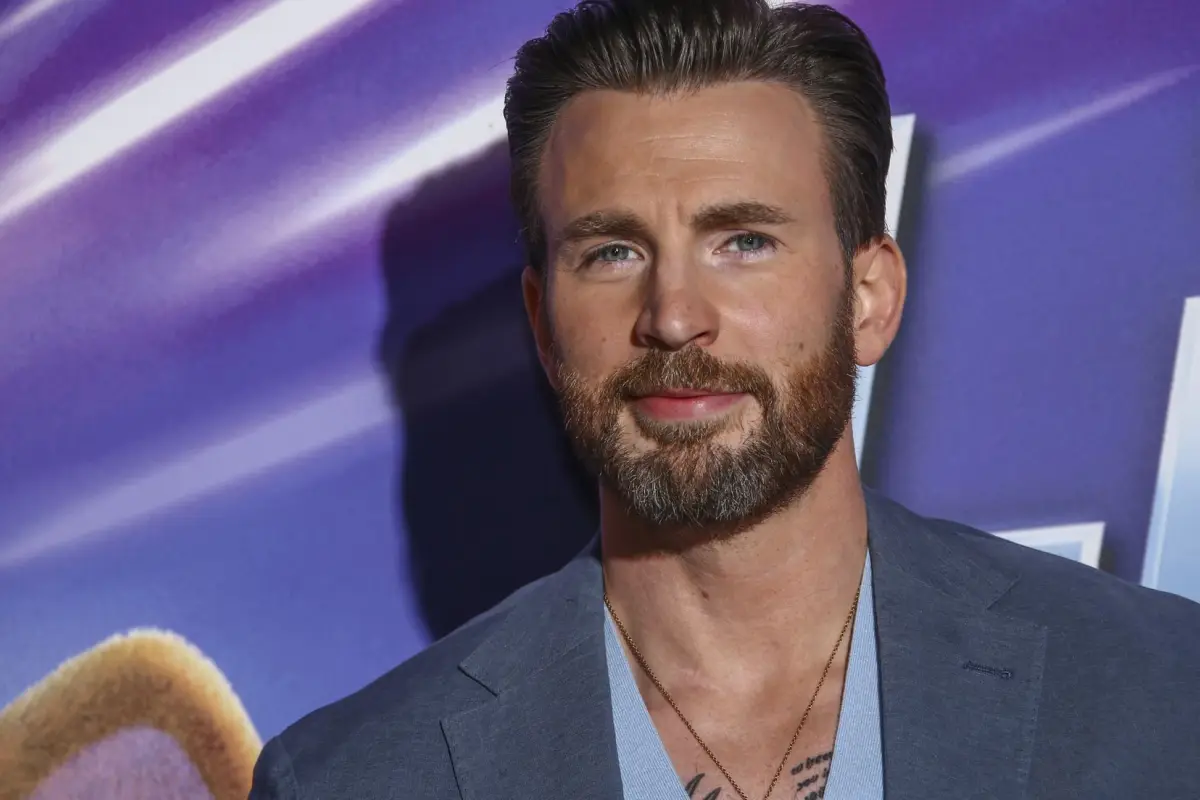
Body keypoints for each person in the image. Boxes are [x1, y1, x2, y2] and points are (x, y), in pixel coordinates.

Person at [249, 2, 1200, 798]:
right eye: (611, 251)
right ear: (542, 325)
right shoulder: (356, 778)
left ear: (868, 299)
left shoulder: (1163, 696)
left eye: (743, 240)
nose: (672, 317)